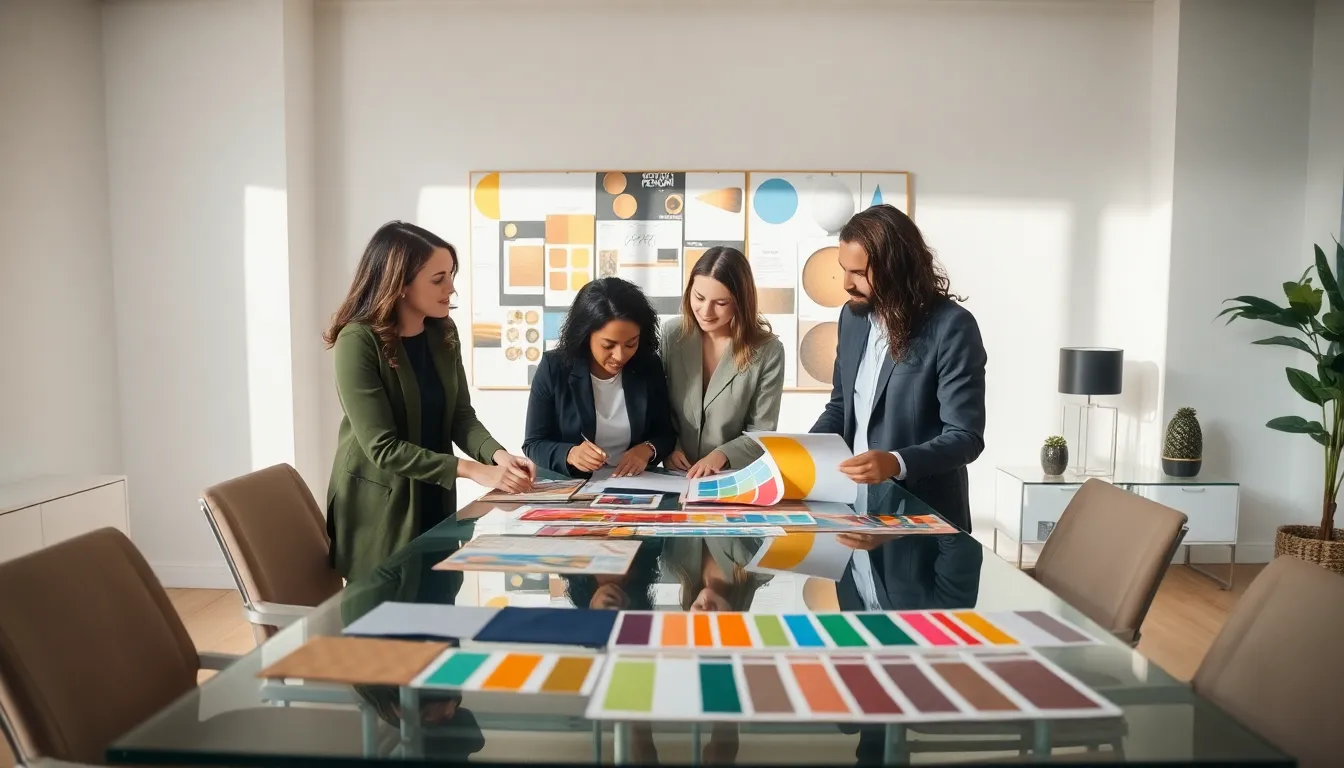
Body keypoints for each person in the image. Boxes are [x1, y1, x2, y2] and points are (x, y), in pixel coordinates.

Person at [324, 221, 536, 581]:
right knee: (386, 626)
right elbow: (384, 448)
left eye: (451, 276)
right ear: (400, 283)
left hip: (435, 501)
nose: (451, 289)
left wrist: (499, 456)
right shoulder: (357, 341)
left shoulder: (443, 331)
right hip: (379, 512)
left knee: (439, 608)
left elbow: (460, 416)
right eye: (438, 279)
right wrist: (475, 471)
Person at [809, 203, 987, 606]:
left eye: (858, 273)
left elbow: (966, 437)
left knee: (919, 660)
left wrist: (895, 462)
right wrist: (803, 451)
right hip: (851, 515)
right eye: (844, 269)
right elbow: (842, 408)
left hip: (924, 528)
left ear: (896, 268)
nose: (847, 284)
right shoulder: (851, 318)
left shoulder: (952, 327)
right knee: (862, 655)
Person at [522, 277, 677, 478]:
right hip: (570, 484)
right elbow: (534, 443)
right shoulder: (555, 368)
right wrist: (571, 454)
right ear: (585, 335)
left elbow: (665, 432)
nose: (620, 356)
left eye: (631, 344)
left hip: (634, 483)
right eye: (608, 345)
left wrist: (646, 449)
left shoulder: (647, 365)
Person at [661, 247, 786, 479]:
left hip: (732, 477)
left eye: (720, 302)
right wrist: (669, 448)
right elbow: (658, 409)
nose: (706, 311)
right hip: (674, 476)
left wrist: (723, 455)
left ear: (741, 302)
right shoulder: (672, 334)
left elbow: (762, 433)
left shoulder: (768, 351)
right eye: (699, 297)